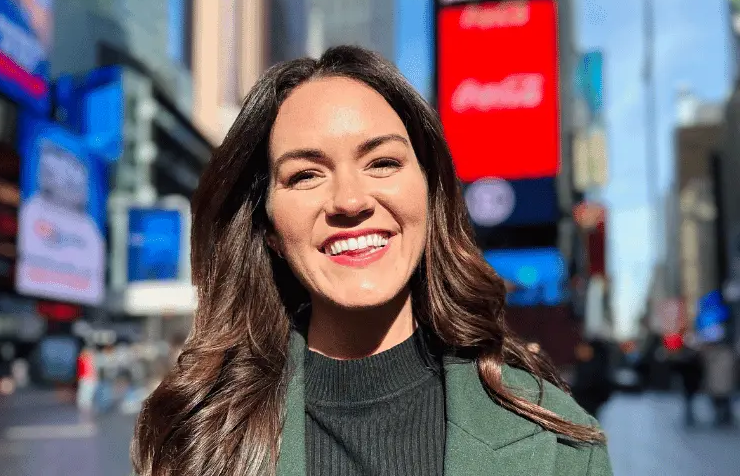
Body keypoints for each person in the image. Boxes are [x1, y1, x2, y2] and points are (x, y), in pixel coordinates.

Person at [130, 46, 613, 476]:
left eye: (382, 163)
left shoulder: (559, 443)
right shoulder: (194, 442)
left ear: (429, 195)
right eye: (305, 175)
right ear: (270, 229)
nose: (350, 200)